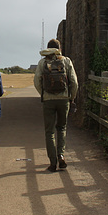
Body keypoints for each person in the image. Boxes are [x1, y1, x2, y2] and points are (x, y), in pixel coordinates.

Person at [34, 39, 78, 172]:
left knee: (49, 131)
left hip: (48, 100)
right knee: (62, 128)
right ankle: (61, 155)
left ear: (48, 49)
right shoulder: (66, 61)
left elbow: (36, 80)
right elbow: (74, 82)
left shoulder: (43, 62)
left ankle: (53, 162)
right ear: (59, 48)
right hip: (64, 99)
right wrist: (72, 97)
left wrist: (43, 93)